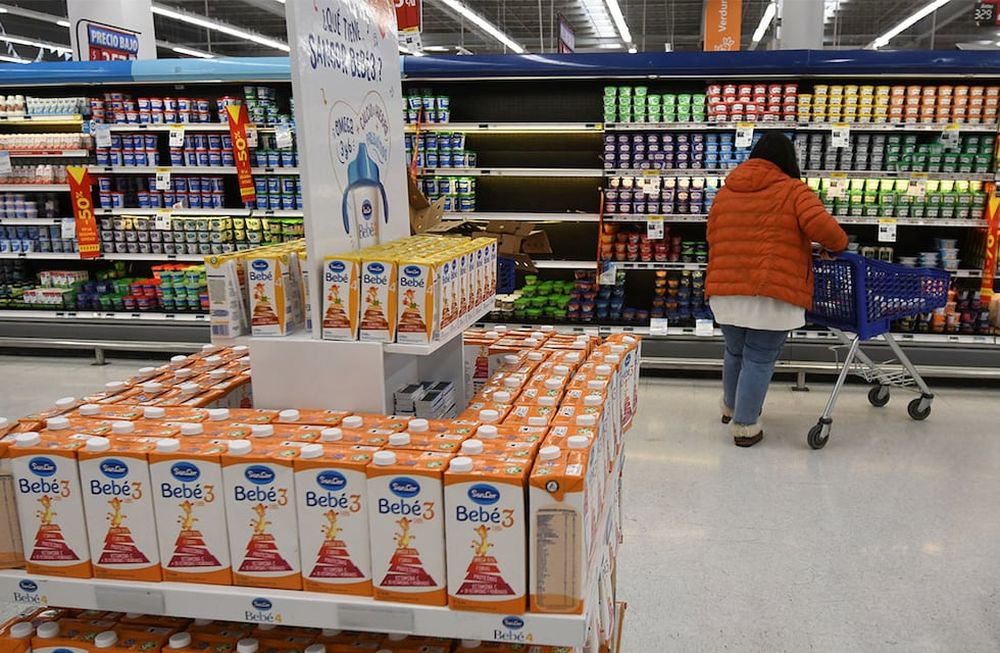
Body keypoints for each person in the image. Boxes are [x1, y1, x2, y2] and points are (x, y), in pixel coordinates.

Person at [706, 133, 848, 447]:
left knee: (735, 352)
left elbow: (712, 233)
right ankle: (745, 426)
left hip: (725, 290)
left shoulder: (726, 191)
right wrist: (836, 247)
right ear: (788, 161)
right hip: (771, 292)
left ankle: (731, 408)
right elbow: (827, 231)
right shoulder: (794, 191)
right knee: (758, 358)